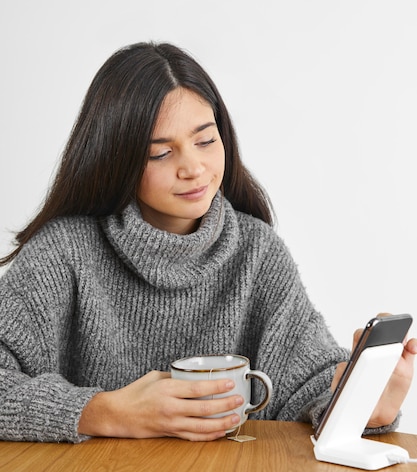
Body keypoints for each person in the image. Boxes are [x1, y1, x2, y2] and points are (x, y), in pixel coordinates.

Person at [0, 42, 415, 443]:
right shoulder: (63, 254)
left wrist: (362, 404)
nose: (194, 168)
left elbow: (306, 387)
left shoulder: (257, 252)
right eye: (161, 153)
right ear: (115, 158)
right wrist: (106, 411)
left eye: (205, 140)